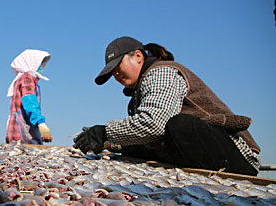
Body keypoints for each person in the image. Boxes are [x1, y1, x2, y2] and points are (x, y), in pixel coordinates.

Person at [73, 36, 261, 176]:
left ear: (138, 56)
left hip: (237, 158)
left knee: (179, 125)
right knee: (141, 145)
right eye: (111, 72)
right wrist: (107, 143)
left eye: (117, 66)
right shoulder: (138, 94)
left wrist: (105, 132)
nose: (116, 75)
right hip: (196, 154)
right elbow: (146, 138)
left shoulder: (161, 72)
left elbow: (155, 124)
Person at [6, 49, 52, 144]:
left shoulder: (20, 78)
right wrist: (40, 123)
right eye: (39, 63)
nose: (41, 67)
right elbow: (29, 100)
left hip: (15, 134)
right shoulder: (27, 78)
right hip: (24, 134)